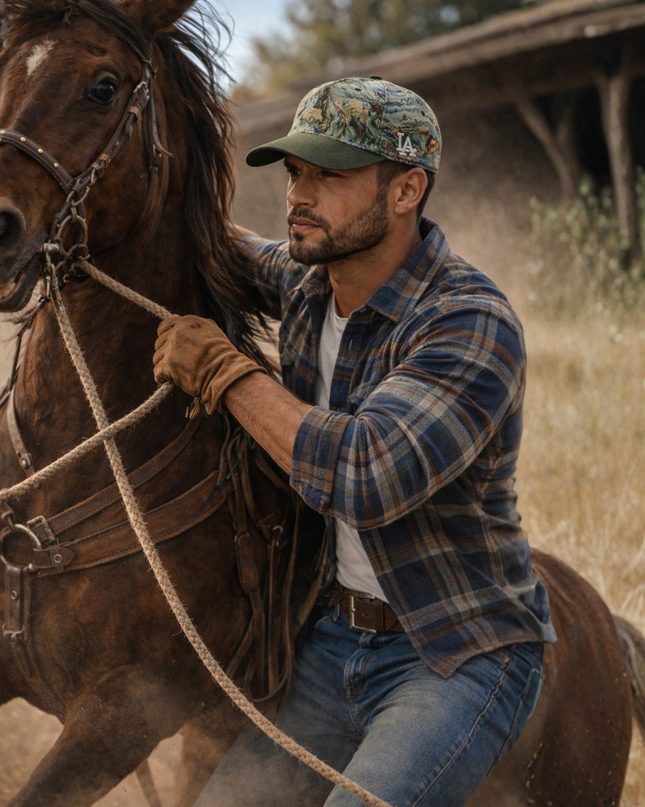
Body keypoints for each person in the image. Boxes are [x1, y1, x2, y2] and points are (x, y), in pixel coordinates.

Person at [152, 75, 556, 807]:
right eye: (295, 172)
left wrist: (224, 370)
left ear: (405, 191)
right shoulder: (312, 277)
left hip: (457, 650)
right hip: (333, 637)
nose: (297, 196)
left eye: (329, 176)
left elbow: (367, 472)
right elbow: (227, 244)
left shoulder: (468, 320)